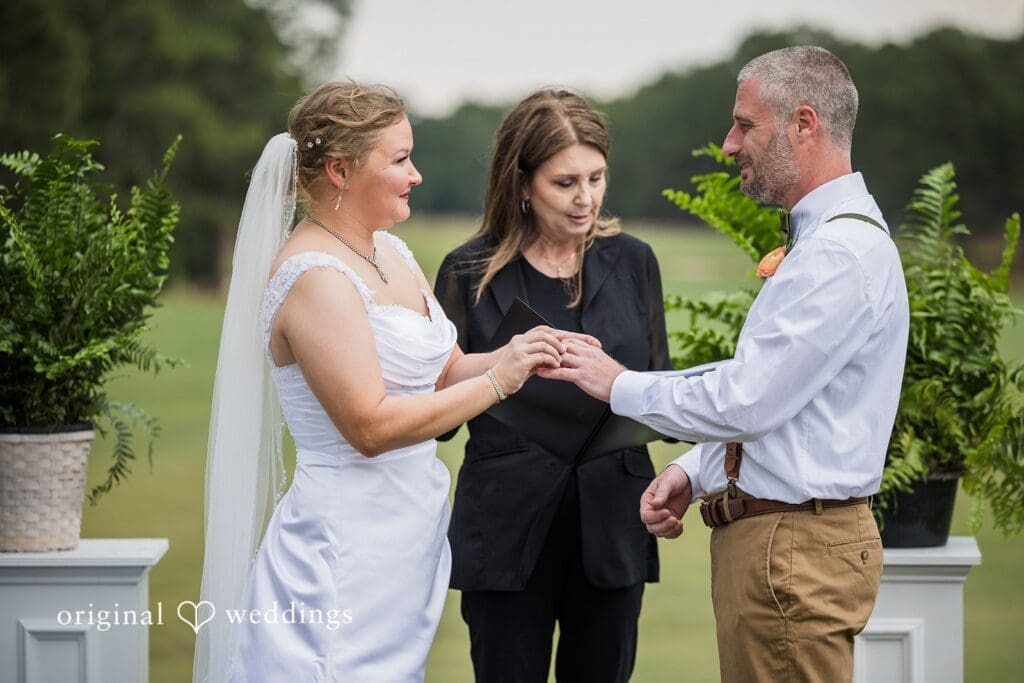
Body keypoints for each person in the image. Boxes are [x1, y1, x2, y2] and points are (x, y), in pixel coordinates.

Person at [193, 82, 592, 683]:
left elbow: (445, 370)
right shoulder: (314, 277)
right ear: (339, 170)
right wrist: (501, 383)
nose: (417, 175)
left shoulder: (392, 253)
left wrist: (521, 352)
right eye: (401, 159)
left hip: (406, 538)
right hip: (343, 544)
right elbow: (370, 427)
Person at [540, 47, 910, 682]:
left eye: (745, 125)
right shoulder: (828, 241)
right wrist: (696, 469)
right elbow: (786, 405)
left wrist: (617, 385)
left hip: (794, 550)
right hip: (782, 544)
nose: (728, 144)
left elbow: (748, 399)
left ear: (803, 123)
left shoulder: (838, 254)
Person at [434, 89, 671, 683]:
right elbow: (437, 417)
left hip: (615, 525)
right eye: (566, 182)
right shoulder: (466, 272)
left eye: (596, 178)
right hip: (505, 532)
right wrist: (502, 367)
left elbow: (659, 393)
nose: (585, 198)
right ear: (521, 182)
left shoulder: (636, 261)